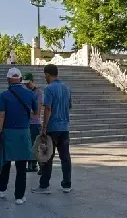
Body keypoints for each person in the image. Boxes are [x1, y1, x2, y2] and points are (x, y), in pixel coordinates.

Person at [0, 68, 38, 205]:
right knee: (21, 166)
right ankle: (19, 196)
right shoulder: (30, 94)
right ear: (20, 79)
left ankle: (2, 190)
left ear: (8, 80)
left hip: (8, 132)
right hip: (24, 132)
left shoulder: (4, 95)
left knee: (6, 163)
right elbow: (36, 112)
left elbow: (0, 115)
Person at [32, 64, 73, 195]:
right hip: (65, 127)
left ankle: (44, 186)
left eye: (45, 75)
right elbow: (69, 106)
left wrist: (44, 127)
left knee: (47, 157)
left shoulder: (49, 89)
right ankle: (67, 184)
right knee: (65, 157)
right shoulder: (67, 88)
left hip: (52, 128)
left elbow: (47, 108)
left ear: (47, 74)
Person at [22, 73, 44, 173]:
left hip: (35, 123)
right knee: (28, 145)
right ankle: (32, 165)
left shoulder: (38, 93)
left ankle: (42, 166)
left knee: (36, 145)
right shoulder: (25, 93)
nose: (26, 85)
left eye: (28, 83)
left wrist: (27, 111)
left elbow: (37, 112)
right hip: (27, 123)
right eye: (25, 83)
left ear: (32, 81)